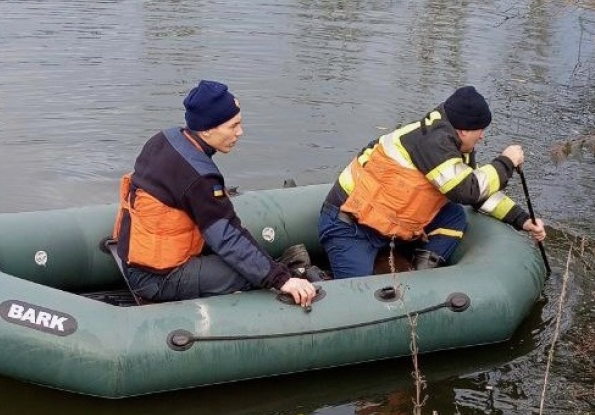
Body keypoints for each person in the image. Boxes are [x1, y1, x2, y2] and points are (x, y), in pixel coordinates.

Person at [112, 80, 317, 307]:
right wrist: (281, 279)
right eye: (233, 126)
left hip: (134, 260)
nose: (240, 132)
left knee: (252, 260)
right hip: (157, 279)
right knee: (250, 274)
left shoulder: (164, 139)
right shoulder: (199, 178)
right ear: (208, 129)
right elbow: (227, 238)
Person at [317, 86, 547, 279]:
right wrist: (506, 162)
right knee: (358, 295)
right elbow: (467, 191)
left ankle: (421, 278)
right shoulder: (433, 144)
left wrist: (522, 220)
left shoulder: (452, 144)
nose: (482, 136)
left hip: (388, 222)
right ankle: (311, 275)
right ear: (464, 130)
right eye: (480, 130)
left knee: (454, 215)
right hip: (350, 225)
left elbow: (479, 193)